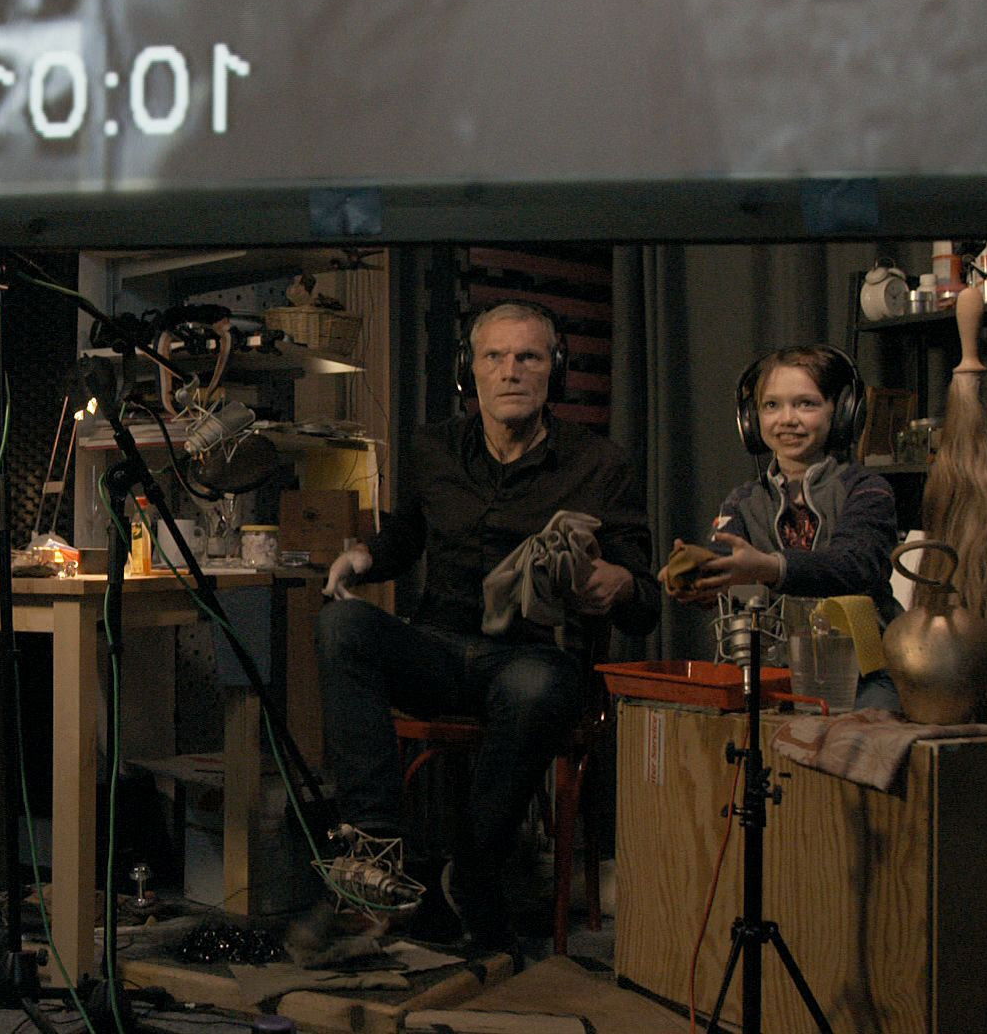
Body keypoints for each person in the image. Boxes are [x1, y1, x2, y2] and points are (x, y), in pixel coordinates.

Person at [316, 300, 659, 955]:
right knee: (343, 626)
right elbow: (403, 538)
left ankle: (472, 873)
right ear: (468, 371)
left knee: (535, 687)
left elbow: (646, 602)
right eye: (494, 357)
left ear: (555, 370)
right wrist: (363, 558)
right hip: (439, 651)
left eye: (528, 357)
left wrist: (618, 582)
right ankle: (375, 851)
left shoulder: (599, 464)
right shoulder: (433, 447)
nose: (510, 371)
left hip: (533, 659)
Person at [676, 345, 901, 709]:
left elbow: (853, 564)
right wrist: (695, 575)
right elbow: (724, 559)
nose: (787, 419)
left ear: (842, 411)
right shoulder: (742, 502)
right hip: (774, 674)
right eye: (771, 405)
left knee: (866, 731)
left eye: (806, 404)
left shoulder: (867, 489)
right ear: (752, 420)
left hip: (862, 675)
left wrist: (770, 568)